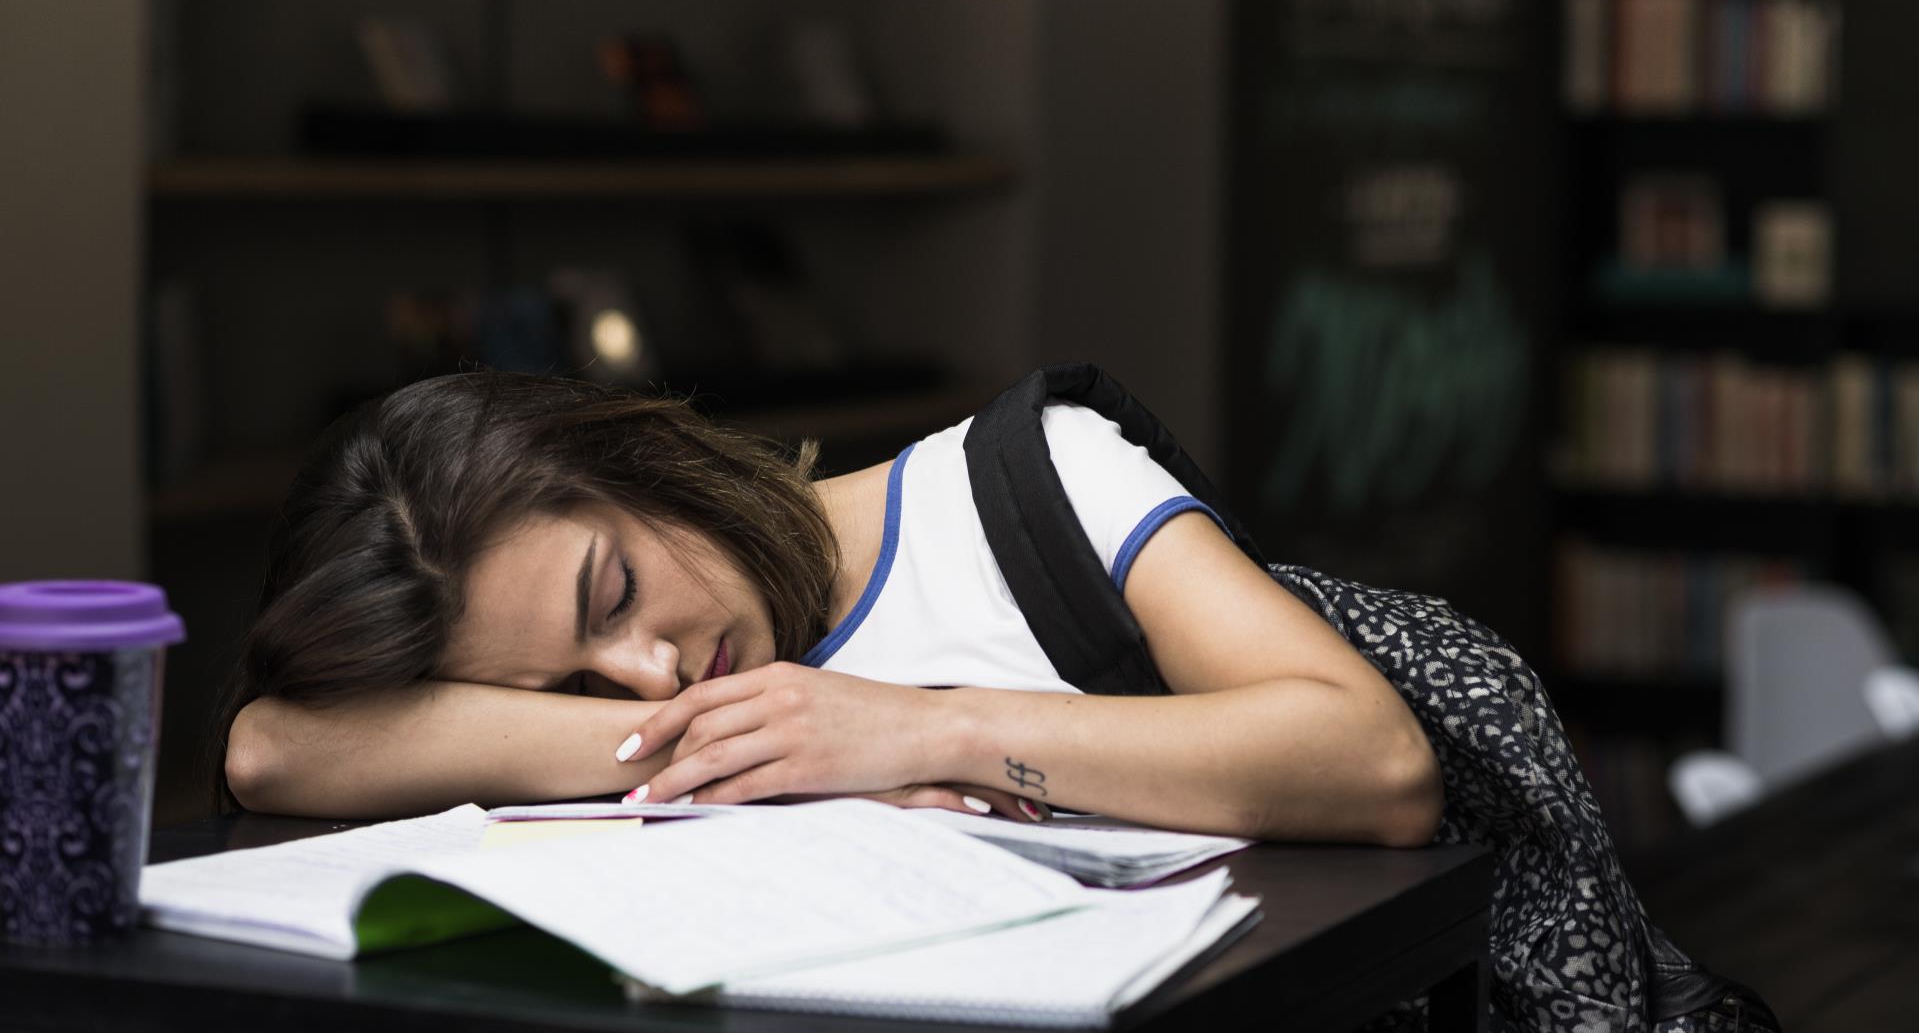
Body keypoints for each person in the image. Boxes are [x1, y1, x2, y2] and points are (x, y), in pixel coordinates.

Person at [215, 369, 1443, 849]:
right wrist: (748, 754)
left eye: (616, 592)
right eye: (576, 687)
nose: (649, 678)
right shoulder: (656, 720)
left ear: (635, 458)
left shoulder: (1031, 481)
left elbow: (1377, 763)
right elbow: (272, 746)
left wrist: (916, 732)